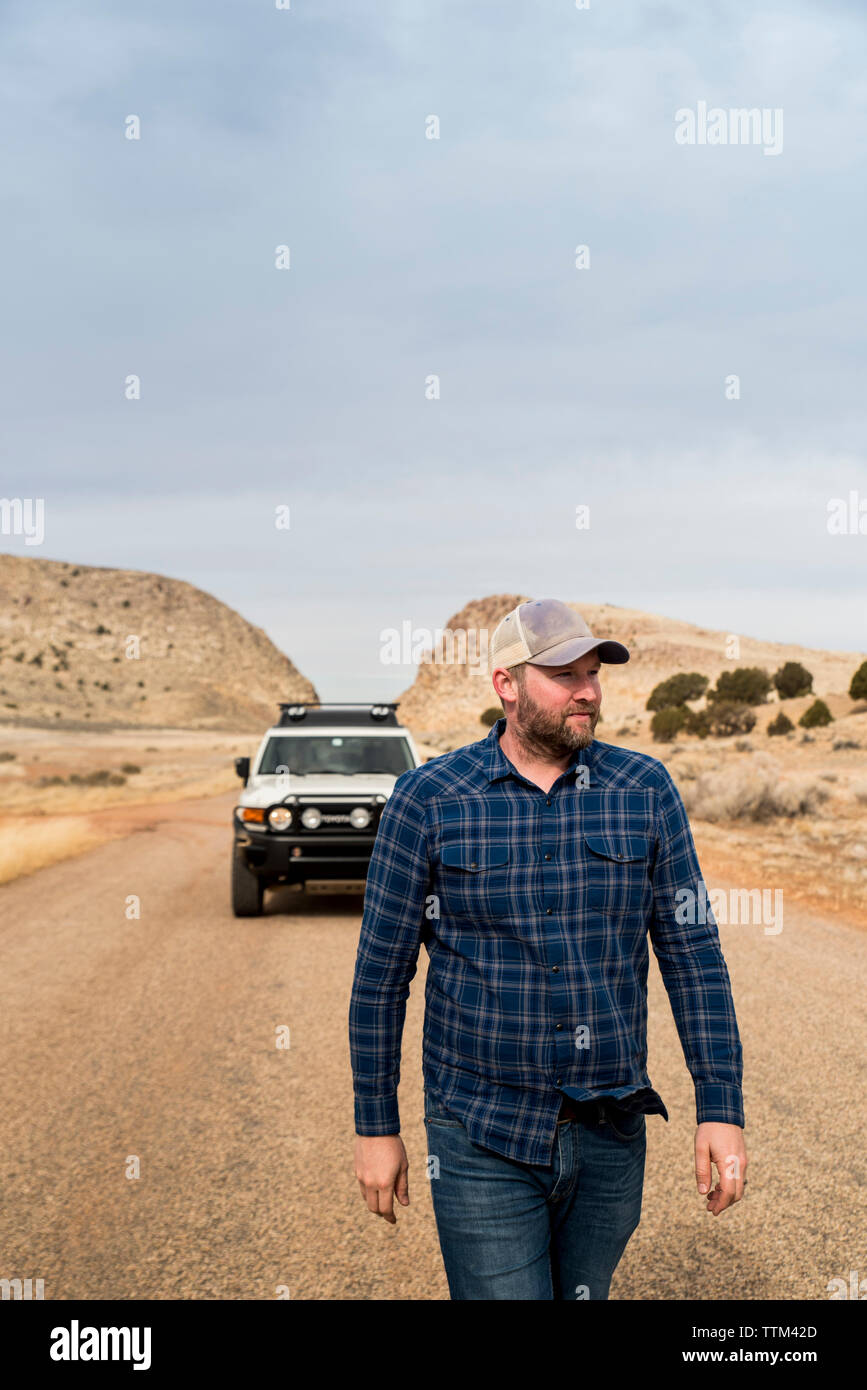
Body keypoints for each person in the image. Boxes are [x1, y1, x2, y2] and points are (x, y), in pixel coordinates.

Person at [349, 598, 747, 1300]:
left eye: (593, 673)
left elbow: (693, 956)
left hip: (609, 1130)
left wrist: (719, 1105)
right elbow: (382, 977)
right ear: (505, 684)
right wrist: (375, 1126)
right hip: (480, 1131)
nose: (587, 690)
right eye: (564, 673)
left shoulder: (642, 790)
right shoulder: (427, 800)